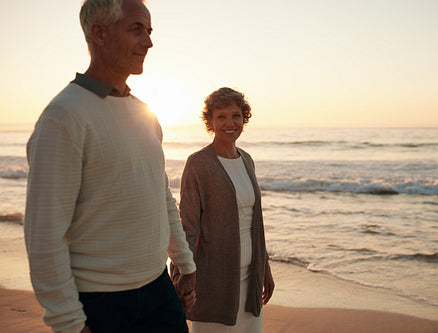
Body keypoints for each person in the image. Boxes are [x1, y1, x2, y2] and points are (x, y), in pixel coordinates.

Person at [24, 0, 196, 332]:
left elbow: (161, 198)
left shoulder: (146, 113)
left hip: (159, 290)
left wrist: (185, 263)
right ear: (99, 33)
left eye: (149, 31)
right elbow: (45, 235)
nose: (148, 41)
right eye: (136, 29)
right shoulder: (64, 117)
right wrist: (70, 323)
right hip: (100, 302)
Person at [171, 87, 275, 332]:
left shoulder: (247, 159)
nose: (230, 123)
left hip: (250, 280)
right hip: (214, 281)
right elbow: (188, 227)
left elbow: (254, 223)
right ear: (210, 122)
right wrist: (180, 278)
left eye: (236, 115)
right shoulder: (198, 163)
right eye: (221, 116)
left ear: (244, 118)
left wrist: (265, 268)